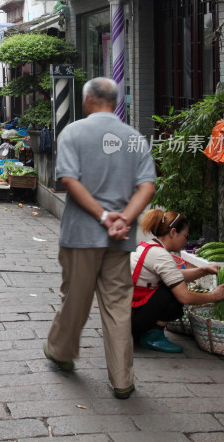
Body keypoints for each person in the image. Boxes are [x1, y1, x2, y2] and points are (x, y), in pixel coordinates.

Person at [44, 77, 156, 399]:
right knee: (118, 307)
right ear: (115, 102)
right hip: (119, 241)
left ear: (89, 99)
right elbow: (147, 186)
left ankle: (62, 352)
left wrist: (103, 216)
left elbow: (68, 179)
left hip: (82, 236)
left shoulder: (74, 133)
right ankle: (122, 380)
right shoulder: (134, 138)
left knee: (75, 301)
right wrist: (125, 218)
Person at [130, 209, 224, 353]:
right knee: (176, 295)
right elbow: (185, 296)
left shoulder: (147, 246)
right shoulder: (161, 256)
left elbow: (173, 275)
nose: (186, 241)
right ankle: (152, 335)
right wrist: (214, 296)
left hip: (124, 320)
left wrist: (203, 270)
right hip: (131, 324)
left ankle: (149, 332)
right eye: (185, 236)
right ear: (173, 232)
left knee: (171, 284)